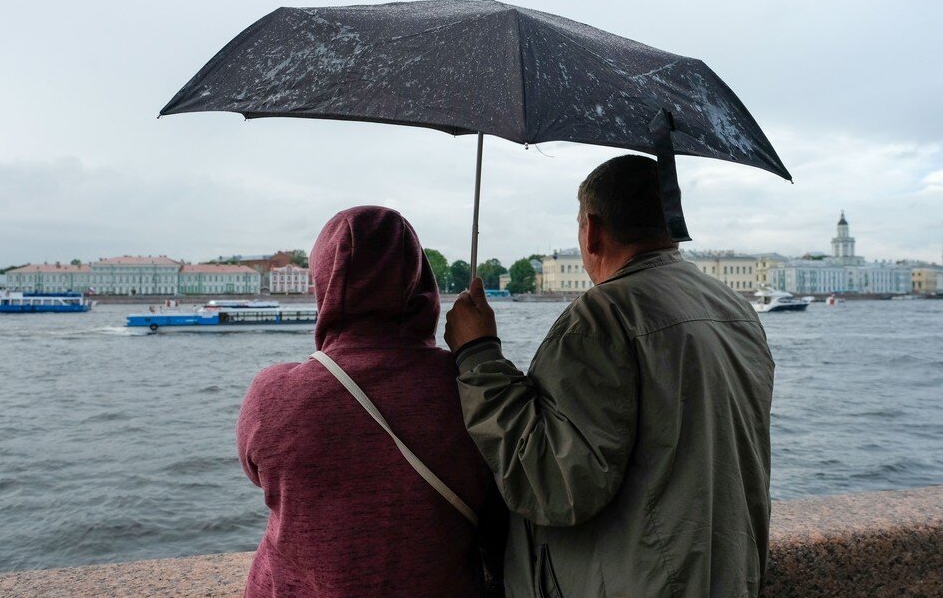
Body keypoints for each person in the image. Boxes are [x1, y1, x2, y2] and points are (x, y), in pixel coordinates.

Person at [445, 155, 775, 597]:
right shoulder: (733, 308)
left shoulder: (604, 316)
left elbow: (557, 483)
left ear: (592, 231)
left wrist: (477, 353)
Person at [238, 206, 505, 598]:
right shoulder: (473, 388)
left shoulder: (273, 393)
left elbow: (262, 476)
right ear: (420, 283)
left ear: (323, 283)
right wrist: (482, 351)